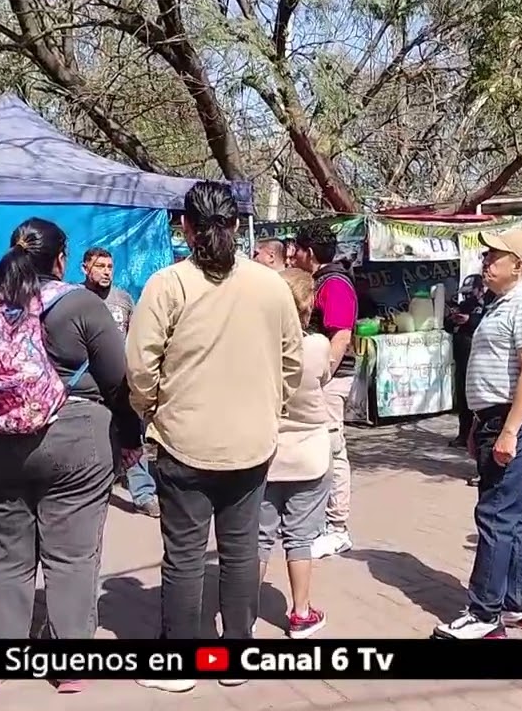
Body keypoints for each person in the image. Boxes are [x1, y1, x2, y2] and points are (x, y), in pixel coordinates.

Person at [126, 182, 302, 693]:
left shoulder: (168, 285)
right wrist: (273, 407)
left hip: (184, 441)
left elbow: (140, 368)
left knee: (184, 554)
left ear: (185, 227)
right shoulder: (271, 286)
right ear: (234, 224)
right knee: (241, 551)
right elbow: (293, 363)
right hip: (252, 443)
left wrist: (151, 409)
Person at [0, 218, 143, 693]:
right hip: (73, 440)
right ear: (61, 260)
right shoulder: (80, 304)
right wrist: (129, 437)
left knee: (0, 551)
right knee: (73, 554)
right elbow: (117, 381)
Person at [433, 226, 522, 639]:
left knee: (495, 516)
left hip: (515, 420)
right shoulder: (502, 304)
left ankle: (484, 614)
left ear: (518, 266)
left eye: (495, 257)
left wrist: (509, 430)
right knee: (514, 515)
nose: (487, 263)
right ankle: (519, 605)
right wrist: (479, 425)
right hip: (494, 420)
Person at [258, 269, 332, 639]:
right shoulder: (316, 346)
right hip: (310, 454)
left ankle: (244, 616)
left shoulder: (256, 348)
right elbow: (324, 378)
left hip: (265, 455)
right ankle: (301, 613)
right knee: (300, 539)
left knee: (257, 539)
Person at [291, 226, 358, 560]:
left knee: (334, 449)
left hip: (332, 381)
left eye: (297, 249)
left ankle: (337, 528)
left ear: (310, 253)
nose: (293, 255)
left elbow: (341, 335)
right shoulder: (320, 282)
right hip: (321, 379)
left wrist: (322, 375)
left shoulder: (335, 285)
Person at [81, 247, 158, 517]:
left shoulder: (123, 299)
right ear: (85, 268)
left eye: (109, 266)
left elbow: (136, 335)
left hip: (122, 382)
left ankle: (144, 494)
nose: (105, 271)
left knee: (133, 437)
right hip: (89, 383)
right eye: (99, 266)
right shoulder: (76, 299)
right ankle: (90, 493)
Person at [444, 274, 488, 450]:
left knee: (477, 400)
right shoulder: (464, 305)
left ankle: (479, 436)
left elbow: (483, 324)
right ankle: (464, 434)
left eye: (472, 292)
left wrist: (470, 320)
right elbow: (448, 325)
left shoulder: (487, 305)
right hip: (461, 357)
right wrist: (453, 318)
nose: (469, 296)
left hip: (478, 358)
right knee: (463, 398)